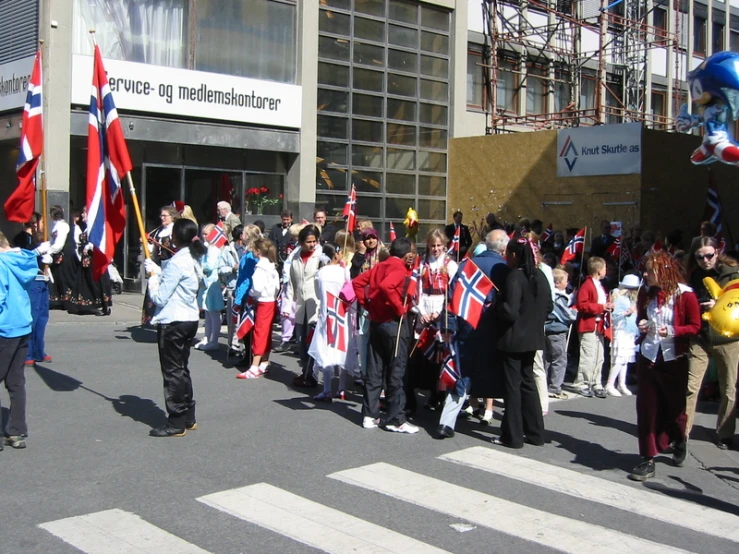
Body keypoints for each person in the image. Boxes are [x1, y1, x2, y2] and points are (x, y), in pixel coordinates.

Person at [630, 251, 701, 481]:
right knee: (647, 408)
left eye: (651, 270)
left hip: (673, 359)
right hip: (649, 357)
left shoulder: (685, 296)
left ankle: (680, 438)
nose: (646, 274)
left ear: (664, 271)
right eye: (646, 270)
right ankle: (647, 458)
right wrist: (641, 324)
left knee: (675, 408)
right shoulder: (645, 293)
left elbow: (695, 326)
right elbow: (640, 316)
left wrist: (673, 331)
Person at [436, 229, 510, 439]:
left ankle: (446, 423)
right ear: (504, 248)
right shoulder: (504, 269)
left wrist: (448, 326)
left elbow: (451, 298)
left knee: (461, 375)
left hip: (464, 328)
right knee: (502, 378)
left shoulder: (466, 265)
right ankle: (507, 426)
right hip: (492, 331)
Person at [143, 218, 207, 437]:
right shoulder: (194, 256)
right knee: (181, 368)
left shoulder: (179, 261)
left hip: (173, 320)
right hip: (189, 318)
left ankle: (176, 421)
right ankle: (188, 416)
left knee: (172, 372)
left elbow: (160, 297)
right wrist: (160, 272)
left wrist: (152, 277)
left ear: (176, 237)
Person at [492, 237, 552, 449]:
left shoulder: (515, 277)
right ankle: (536, 433)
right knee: (528, 384)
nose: (506, 257)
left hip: (513, 339)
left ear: (515, 255)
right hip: (533, 338)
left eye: (508, 253)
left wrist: (496, 304)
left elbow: (510, 311)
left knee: (513, 388)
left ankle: (513, 436)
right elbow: (549, 307)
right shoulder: (541, 276)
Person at [353, 237, 418, 434]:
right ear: (406, 254)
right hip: (393, 323)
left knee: (374, 369)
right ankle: (395, 419)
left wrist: (367, 304)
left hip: (377, 321)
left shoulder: (381, 265)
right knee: (396, 371)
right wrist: (399, 308)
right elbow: (386, 287)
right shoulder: (398, 269)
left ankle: (369, 415)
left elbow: (356, 282)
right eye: (412, 253)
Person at [684, 236, 739, 450]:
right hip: (700, 336)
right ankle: (683, 433)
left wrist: (719, 304)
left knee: (728, 389)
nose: (705, 260)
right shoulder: (694, 275)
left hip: (728, 338)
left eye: (709, 255)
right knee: (691, 387)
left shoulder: (732, 273)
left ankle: (725, 433)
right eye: (699, 257)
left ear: (717, 252)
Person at [406, 228, 458, 412]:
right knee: (421, 354)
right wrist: (421, 311)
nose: (435, 249)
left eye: (438, 245)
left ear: (444, 246)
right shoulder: (422, 264)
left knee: (441, 357)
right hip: (424, 311)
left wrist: (442, 313)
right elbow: (416, 290)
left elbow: (454, 294)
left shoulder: (450, 265)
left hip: (442, 314)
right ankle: (427, 393)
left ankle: (440, 395)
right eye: (432, 245)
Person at [0, 232, 40, 450]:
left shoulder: (1, 264)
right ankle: (16, 430)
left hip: (4, 327)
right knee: (16, 381)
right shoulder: (24, 260)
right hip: (22, 324)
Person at [308, 243, 352, 400]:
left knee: (326, 350)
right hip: (342, 314)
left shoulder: (320, 273)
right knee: (342, 349)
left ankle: (327, 389)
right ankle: (342, 389)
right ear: (336, 254)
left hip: (327, 315)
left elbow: (319, 295)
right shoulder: (344, 272)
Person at [283, 225, 322, 387]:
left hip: (316, 304)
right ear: (301, 242)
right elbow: (291, 283)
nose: (312, 244)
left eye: (314, 241)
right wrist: (286, 305)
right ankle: (305, 371)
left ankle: (311, 374)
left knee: (311, 340)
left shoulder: (321, 257)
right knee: (300, 341)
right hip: (300, 305)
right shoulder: (296, 257)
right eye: (308, 242)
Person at [237, 238, 280, 379]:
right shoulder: (271, 265)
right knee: (266, 332)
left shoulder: (261, 267)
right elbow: (277, 286)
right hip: (271, 301)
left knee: (260, 333)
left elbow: (257, 287)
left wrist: (251, 294)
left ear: (257, 251)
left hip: (263, 302)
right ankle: (264, 362)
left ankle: (254, 366)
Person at [573, 256, 613, 398]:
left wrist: (607, 307)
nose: (606, 270)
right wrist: (601, 307)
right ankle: (582, 383)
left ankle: (596, 382)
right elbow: (582, 305)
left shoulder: (600, 286)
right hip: (589, 325)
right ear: (598, 270)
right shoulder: (587, 285)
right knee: (588, 356)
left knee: (599, 356)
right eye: (604, 268)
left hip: (599, 325)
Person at [12, 231, 52, 367]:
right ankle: (27, 353)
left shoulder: (40, 243)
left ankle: (38, 351)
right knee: (32, 318)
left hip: (43, 282)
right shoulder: (23, 244)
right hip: (33, 282)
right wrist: (38, 252)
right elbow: (23, 258)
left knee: (42, 318)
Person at [605, 274, 641, 397]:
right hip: (621, 330)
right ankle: (610, 384)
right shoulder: (620, 299)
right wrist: (626, 312)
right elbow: (614, 317)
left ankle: (622, 383)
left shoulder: (631, 299)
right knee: (619, 360)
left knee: (625, 360)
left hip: (630, 331)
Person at [544, 268, 577, 399]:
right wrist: (575, 313)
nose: (567, 283)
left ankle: (544, 384)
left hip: (546, 329)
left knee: (546, 358)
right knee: (559, 359)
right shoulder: (557, 297)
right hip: (557, 331)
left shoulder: (549, 295)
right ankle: (554, 387)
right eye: (565, 281)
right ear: (557, 283)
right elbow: (566, 314)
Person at [142, 206, 178, 325]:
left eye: (165, 216)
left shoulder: (174, 231)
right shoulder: (159, 231)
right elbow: (155, 248)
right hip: (158, 264)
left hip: (170, 265)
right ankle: (154, 318)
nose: (162, 218)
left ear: (172, 217)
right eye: (161, 216)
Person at [195, 223, 226, 351]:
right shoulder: (207, 248)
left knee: (213, 311)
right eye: (202, 233)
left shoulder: (213, 249)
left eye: (206, 234)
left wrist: (198, 265)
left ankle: (214, 340)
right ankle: (207, 337)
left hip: (212, 282)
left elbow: (209, 266)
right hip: (205, 282)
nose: (203, 236)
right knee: (207, 312)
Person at [48, 205, 71, 309]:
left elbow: (59, 243)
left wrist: (50, 251)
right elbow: (53, 241)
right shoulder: (55, 225)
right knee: (57, 277)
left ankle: (67, 301)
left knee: (64, 278)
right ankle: (59, 300)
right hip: (56, 254)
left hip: (63, 254)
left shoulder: (63, 226)